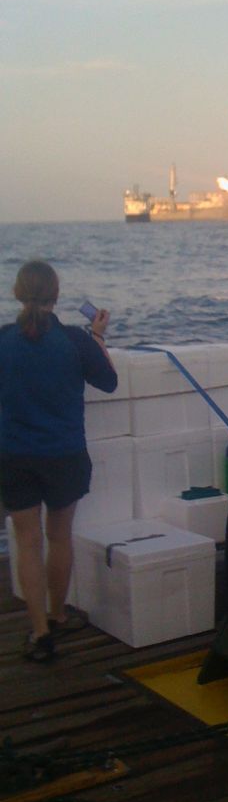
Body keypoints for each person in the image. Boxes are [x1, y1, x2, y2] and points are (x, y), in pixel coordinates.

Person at [0, 260, 118, 662]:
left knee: (27, 544)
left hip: (15, 455)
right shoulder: (74, 340)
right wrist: (98, 337)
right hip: (65, 455)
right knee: (59, 537)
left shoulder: (4, 340)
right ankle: (57, 614)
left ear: (18, 293)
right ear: (56, 294)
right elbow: (109, 381)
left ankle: (39, 634)